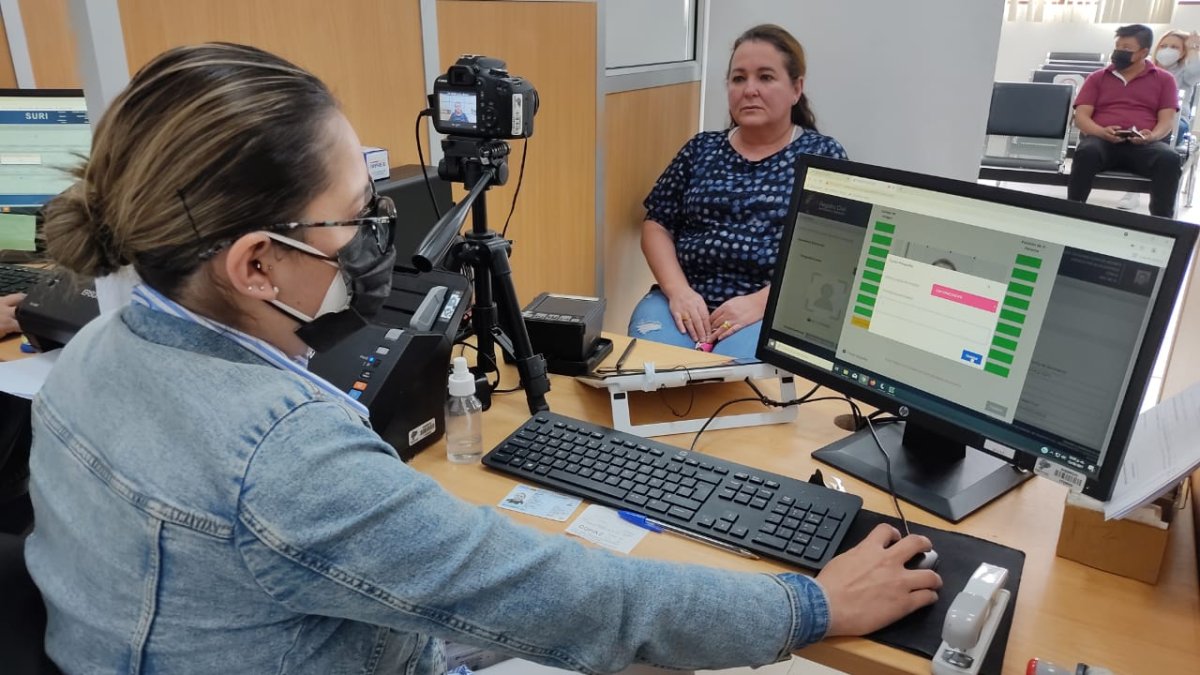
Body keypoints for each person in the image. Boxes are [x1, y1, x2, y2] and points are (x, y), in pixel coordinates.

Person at [25, 43, 939, 674]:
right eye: (354, 215)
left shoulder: (95, 348)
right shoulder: (281, 460)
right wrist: (809, 608)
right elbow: (588, 603)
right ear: (255, 263)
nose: (377, 233)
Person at [629, 24, 847, 358]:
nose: (750, 90)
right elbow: (657, 223)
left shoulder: (823, 157)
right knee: (654, 368)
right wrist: (679, 292)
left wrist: (762, 303)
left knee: (732, 378)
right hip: (688, 300)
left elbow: (835, 251)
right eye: (739, 78)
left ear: (796, 88)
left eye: (766, 77)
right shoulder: (700, 149)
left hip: (774, 306)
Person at [1068, 24, 1182, 218]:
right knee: (1086, 152)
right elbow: (1081, 117)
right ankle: (1072, 213)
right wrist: (1100, 131)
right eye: (1118, 46)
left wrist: (1151, 136)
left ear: (1144, 52)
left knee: (1169, 159)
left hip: (1144, 145)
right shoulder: (1097, 78)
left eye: (1127, 48)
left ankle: (1161, 223)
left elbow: (1167, 121)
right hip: (1102, 142)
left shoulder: (1164, 79)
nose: (1119, 52)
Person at [1118, 28, 1200, 210]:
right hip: (1146, 118)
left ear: (1183, 52)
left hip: (1177, 122)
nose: (1167, 50)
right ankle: (1133, 189)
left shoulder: (1185, 72)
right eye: (1164, 45)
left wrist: (1194, 47)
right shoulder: (1145, 68)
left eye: (1174, 47)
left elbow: (1196, 71)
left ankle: (1146, 193)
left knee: (1151, 143)